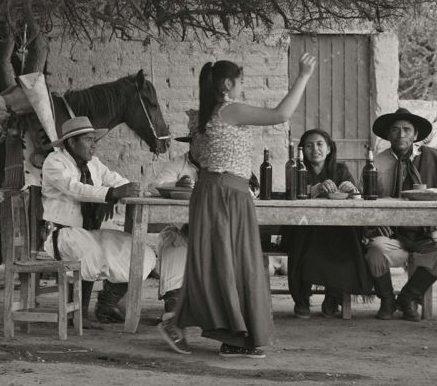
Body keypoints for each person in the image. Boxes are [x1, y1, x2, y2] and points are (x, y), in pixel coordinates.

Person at [158, 54, 317, 358]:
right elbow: (281, 114)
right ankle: (228, 335)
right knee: (228, 264)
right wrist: (304, 76)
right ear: (229, 83)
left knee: (219, 263)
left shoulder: (204, 114)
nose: (242, 87)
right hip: (224, 193)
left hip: (222, 192)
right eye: (241, 81)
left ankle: (189, 325)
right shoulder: (229, 110)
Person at [42, 116, 153, 323]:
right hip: (61, 233)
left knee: (138, 251)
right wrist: (111, 193)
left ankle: (106, 304)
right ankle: (78, 314)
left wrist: (135, 189)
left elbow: (116, 180)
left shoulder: (94, 164)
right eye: (88, 140)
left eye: (95, 140)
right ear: (72, 142)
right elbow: (74, 189)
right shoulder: (54, 162)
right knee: (89, 252)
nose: (93, 145)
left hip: (89, 232)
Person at [365, 108, 437, 322]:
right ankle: (387, 300)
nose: (401, 134)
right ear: (387, 135)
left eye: (406, 130)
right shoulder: (376, 164)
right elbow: (366, 200)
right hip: (392, 233)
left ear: (416, 135)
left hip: (428, 232)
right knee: (375, 251)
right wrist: (376, 223)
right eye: (395, 129)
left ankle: (409, 297)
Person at [280, 128, 374, 318]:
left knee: (345, 236)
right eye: (308, 145)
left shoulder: (341, 170)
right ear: (302, 151)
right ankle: (302, 298)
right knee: (304, 239)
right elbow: (290, 196)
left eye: (319, 144)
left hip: (334, 228)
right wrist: (314, 189)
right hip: (302, 228)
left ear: (329, 148)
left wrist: (353, 191)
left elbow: (357, 200)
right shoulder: (296, 169)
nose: (314, 149)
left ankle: (333, 295)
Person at [148, 110, 200, 317]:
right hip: (186, 230)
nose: (203, 146)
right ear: (191, 143)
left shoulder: (223, 163)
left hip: (217, 232)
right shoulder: (179, 164)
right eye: (198, 141)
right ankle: (174, 302)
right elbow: (154, 186)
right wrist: (176, 184)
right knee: (170, 239)